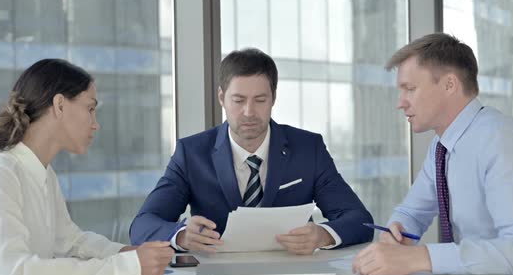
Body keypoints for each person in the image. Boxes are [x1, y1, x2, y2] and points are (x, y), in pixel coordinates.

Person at [352, 33, 513, 275]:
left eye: (410, 89)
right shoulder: (443, 146)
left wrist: (421, 258)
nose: (400, 103)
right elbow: (411, 212)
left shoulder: (500, 141)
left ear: (449, 85)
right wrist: (396, 234)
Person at [0, 59, 174, 275]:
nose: (96, 125)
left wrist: (128, 253)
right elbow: (16, 272)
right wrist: (127, 266)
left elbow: (70, 241)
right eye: (90, 109)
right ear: (59, 105)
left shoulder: (42, 173)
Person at [130, 48, 373, 254]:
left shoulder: (308, 148)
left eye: (260, 100)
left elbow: (360, 220)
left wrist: (322, 235)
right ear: (222, 98)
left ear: (273, 98)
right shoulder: (191, 153)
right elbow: (142, 225)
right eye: (238, 100)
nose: (249, 111)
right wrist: (182, 235)